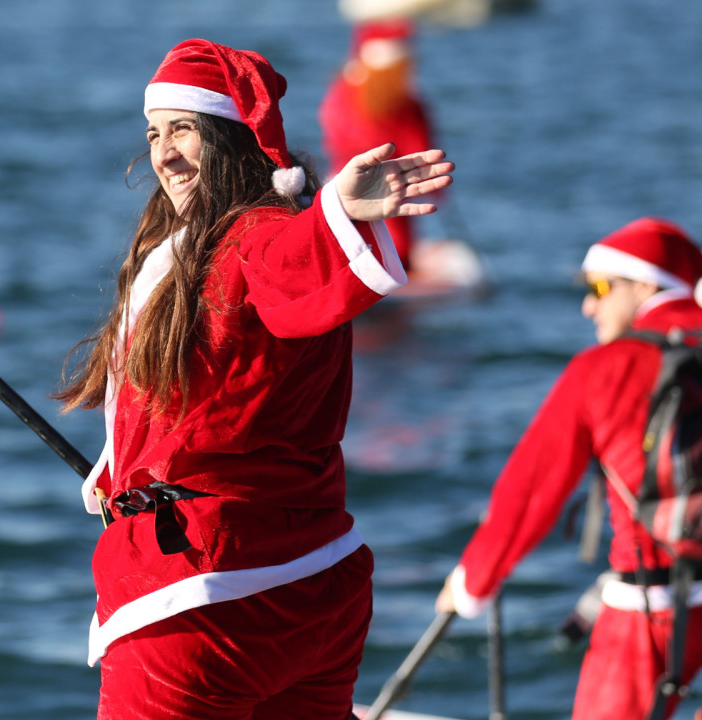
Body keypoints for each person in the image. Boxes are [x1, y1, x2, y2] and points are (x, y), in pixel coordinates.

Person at [55, 38, 452, 719]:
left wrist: (337, 215)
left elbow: (293, 258)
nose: (164, 153)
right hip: (320, 586)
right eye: (154, 133)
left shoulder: (255, 238)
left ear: (230, 135)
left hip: (207, 604)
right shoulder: (197, 248)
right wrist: (117, 472)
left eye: (183, 129)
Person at [436, 218, 702, 720]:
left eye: (599, 287)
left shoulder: (605, 366)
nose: (589, 305)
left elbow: (531, 491)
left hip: (650, 608)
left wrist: (472, 583)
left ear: (645, 285)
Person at [319, 18, 435, 270]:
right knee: (395, 249)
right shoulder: (403, 103)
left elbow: (334, 138)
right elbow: (419, 148)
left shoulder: (341, 91)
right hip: (389, 187)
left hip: (340, 184)